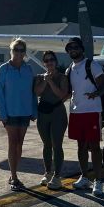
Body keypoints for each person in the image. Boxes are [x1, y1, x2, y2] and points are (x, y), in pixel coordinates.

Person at [65, 36, 104, 196]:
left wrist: (95, 93)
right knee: (80, 146)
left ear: (82, 49)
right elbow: (69, 91)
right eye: (69, 48)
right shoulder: (69, 69)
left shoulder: (92, 65)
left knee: (94, 147)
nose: (72, 50)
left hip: (91, 111)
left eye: (75, 47)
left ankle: (98, 181)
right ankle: (84, 177)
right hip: (76, 112)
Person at [0, 38, 38, 191]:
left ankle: (14, 172)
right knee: (12, 143)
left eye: (21, 50)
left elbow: (32, 92)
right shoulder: (4, 69)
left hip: (25, 112)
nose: (18, 53)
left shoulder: (28, 69)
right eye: (16, 50)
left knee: (20, 144)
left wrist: (34, 110)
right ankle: (14, 177)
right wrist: (2, 113)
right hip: (10, 113)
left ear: (24, 53)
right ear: (11, 51)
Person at [33, 50, 68, 190]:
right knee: (46, 144)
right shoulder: (39, 77)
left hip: (57, 113)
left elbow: (61, 94)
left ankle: (57, 176)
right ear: (44, 63)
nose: (49, 62)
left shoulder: (62, 77)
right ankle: (48, 172)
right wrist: (45, 80)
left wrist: (51, 82)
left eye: (51, 60)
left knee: (56, 145)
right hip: (43, 114)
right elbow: (37, 92)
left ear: (56, 61)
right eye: (46, 60)